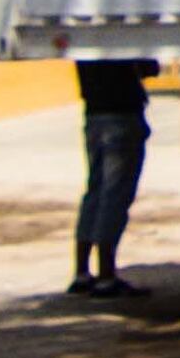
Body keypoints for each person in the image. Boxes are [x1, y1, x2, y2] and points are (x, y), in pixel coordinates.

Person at [69, 54, 157, 298]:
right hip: (122, 113)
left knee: (95, 191)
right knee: (114, 195)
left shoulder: (84, 44)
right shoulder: (119, 42)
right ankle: (106, 275)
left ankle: (82, 271)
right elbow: (149, 67)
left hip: (94, 114)